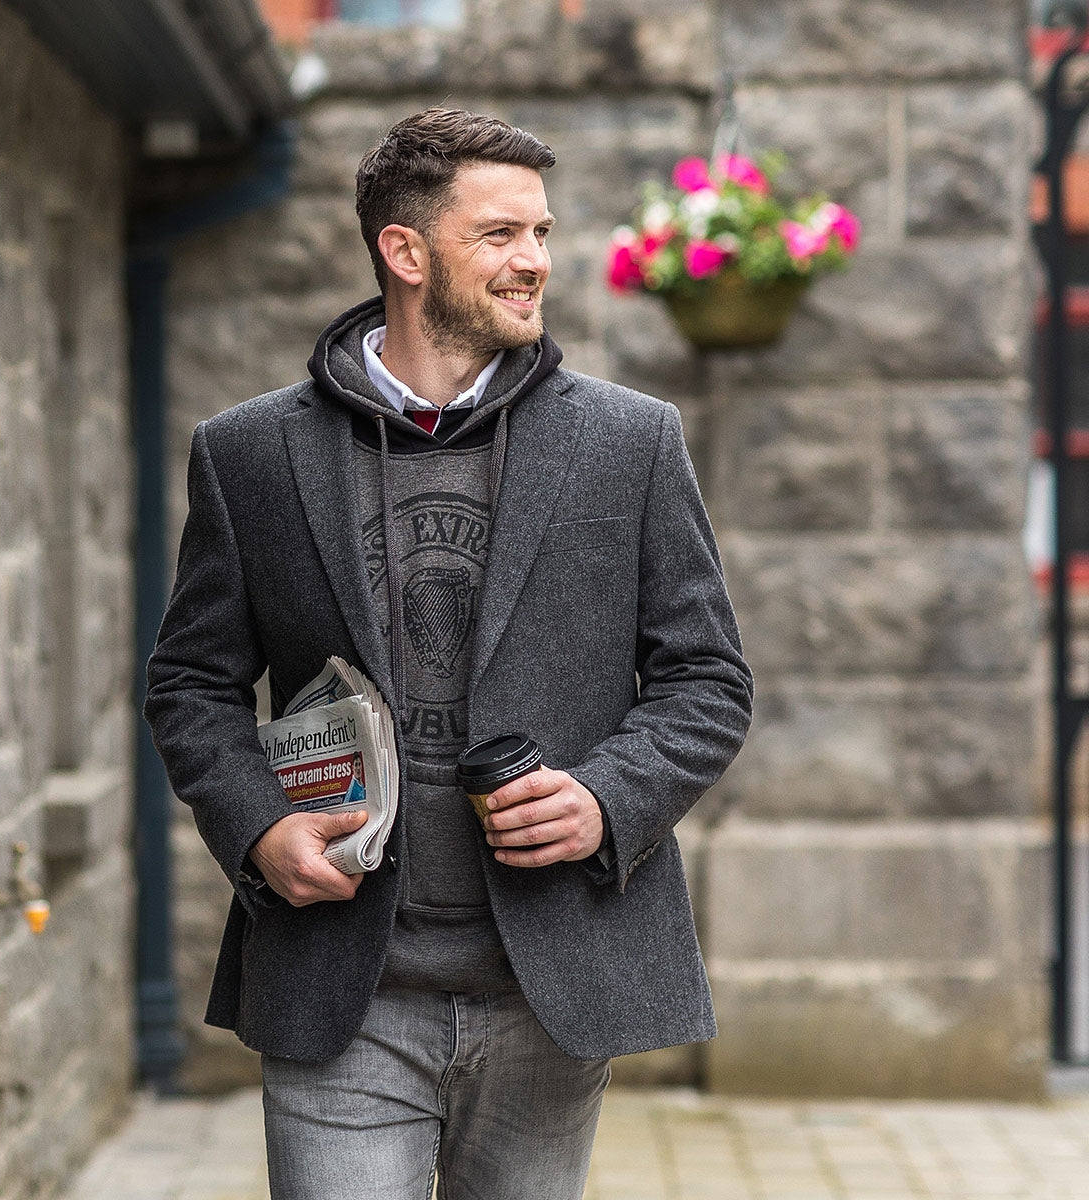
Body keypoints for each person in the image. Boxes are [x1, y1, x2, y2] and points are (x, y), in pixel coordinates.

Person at [145, 107, 753, 1200]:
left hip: (549, 989)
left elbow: (708, 681)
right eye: (501, 236)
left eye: (542, 233)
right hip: (344, 990)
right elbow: (191, 682)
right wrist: (256, 826)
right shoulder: (248, 454)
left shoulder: (630, 443)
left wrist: (610, 799)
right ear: (405, 251)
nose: (537, 263)